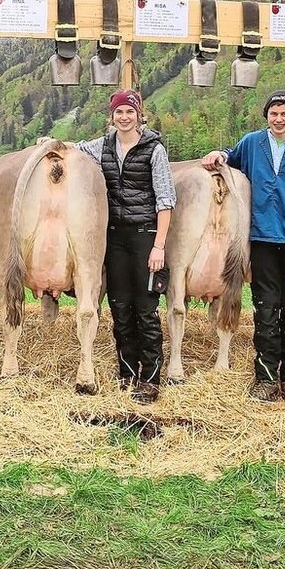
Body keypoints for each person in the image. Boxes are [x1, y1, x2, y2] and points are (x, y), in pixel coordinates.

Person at [201, 89, 285, 407]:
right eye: (273, 113)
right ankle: (264, 378)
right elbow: (230, 158)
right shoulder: (252, 143)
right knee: (264, 308)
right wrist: (218, 154)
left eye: (284, 113)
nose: (278, 118)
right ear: (267, 116)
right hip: (261, 240)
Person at [75, 89, 175, 404]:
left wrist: (159, 246)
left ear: (139, 115)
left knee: (145, 308)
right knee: (120, 307)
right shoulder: (102, 146)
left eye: (129, 112)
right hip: (114, 236)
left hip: (145, 234)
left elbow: (165, 201)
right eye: (119, 112)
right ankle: (127, 373)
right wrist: (50, 144)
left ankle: (151, 379)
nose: (124, 117)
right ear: (113, 116)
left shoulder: (153, 149)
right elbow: (75, 148)